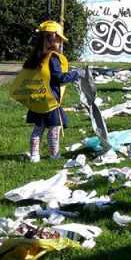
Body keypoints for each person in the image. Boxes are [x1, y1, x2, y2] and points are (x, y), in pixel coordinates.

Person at [11, 21, 81, 162]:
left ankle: (34, 156)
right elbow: (58, 78)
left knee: (38, 129)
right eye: (59, 39)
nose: (61, 42)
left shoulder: (35, 57)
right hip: (50, 100)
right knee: (54, 129)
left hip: (37, 99)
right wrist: (76, 74)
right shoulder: (52, 57)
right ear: (52, 38)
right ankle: (54, 155)